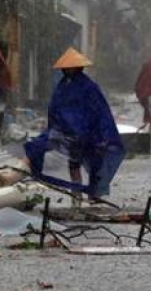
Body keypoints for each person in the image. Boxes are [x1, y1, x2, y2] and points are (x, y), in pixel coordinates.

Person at [23, 48, 125, 203]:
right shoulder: (63, 86)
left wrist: (101, 133)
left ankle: (91, 194)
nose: (67, 70)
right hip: (68, 132)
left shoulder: (88, 87)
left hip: (86, 133)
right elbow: (55, 107)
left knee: (93, 163)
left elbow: (99, 110)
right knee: (73, 164)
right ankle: (77, 196)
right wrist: (55, 126)